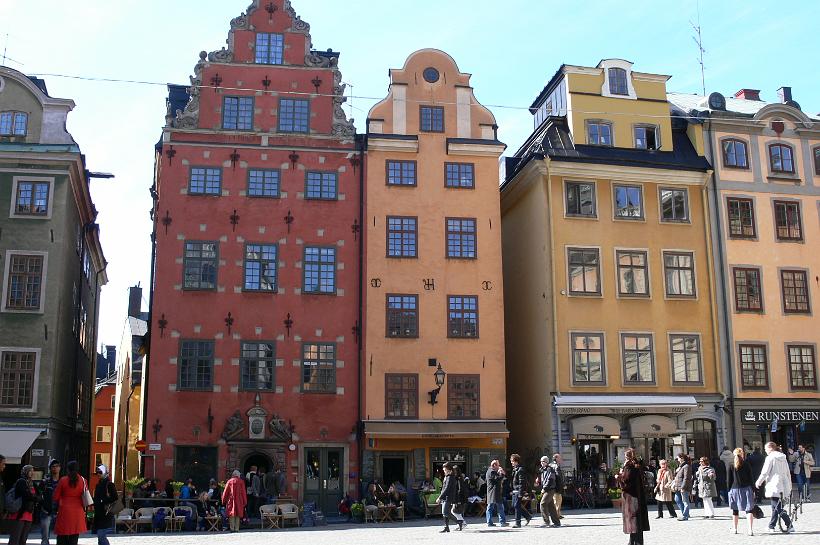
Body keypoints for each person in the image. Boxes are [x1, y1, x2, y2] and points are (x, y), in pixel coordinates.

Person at [756, 442, 794, 533]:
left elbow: (765, 472)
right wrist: (789, 484)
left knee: (777, 507)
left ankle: (789, 525)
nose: (765, 451)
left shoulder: (770, 458)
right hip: (783, 484)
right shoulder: (783, 457)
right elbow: (788, 472)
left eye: (766, 449)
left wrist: (758, 482)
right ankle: (771, 526)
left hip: (774, 484)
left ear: (770, 448)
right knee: (775, 507)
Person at [617, 449, 650, 545]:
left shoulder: (629, 467)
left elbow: (626, 483)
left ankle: (635, 542)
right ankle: (632, 541)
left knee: (633, 522)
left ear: (627, 457)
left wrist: (618, 477)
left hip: (631, 498)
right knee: (636, 521)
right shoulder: (637, 465)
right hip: (638, 497)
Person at [53, 460, 88, 545]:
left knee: (62, 536)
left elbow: (55, 497)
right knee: (74, 537)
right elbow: (86, 496)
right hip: (78, 511)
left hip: (64, 510)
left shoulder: (63, 480)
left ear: (68, 469)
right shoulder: (83, 480)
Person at [9, 464, 42, 545]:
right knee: (15, 539)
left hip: (29, 514)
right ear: (25, 472)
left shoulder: (33, 484)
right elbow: (26, 495)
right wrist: (35, 497)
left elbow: (40, 495)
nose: (32, 473)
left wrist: (35, 497)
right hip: (19, 514)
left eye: (33, 471)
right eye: (30, 471)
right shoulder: (21, 481)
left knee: (23, 539)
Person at [727, 447, 756, 536]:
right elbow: (751, 478)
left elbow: (729, 480)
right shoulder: (747, 464)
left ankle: (735, 528)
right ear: (742, 454)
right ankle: (750, 530)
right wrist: (753, 490)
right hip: (746, 489)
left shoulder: (731, 465)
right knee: (749, 510)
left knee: (735, 510)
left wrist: (729, 491)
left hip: (734, 489)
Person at [92, 465, 118, 545]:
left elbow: (115, 497)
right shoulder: (98, 484)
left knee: (101, 535)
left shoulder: (109, 484)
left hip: (106, 512)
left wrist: (103, 501)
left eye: (100, 472)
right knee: (100, 537)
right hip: (98, 513)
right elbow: (96, 497)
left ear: (105, 472)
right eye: (97, 472)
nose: (98, 474)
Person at [39, 459, 61, 545]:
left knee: (61, 536)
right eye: (53, 467)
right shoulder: (45, 481)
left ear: (60, 468)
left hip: (59, 511)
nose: (55, 468)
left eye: (56, 466)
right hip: (46, 511)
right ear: (50, 468)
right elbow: (39, 494)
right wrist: (42, 506)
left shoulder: (63, 481)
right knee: (45, 538)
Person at [538, 455, 561, 527]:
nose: (542, 463)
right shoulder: (542, 469)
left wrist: (544, 488)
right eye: (541, 461)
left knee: (543, 503)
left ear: (547, 462)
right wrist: (538, 482)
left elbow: (550, 480)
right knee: (551, 506)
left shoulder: (550, 469)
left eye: (543, 461)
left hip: (550, 489)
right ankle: (557, 522)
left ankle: (546, 521)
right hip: (547, 489)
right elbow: (543, 479)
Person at [509, 453, 531, 528]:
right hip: (515, 490)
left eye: (512, 461)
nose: (511, 462)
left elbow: (522, 482)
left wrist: (520, 493)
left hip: (519, 490)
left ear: (516, 461)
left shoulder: (520, 469)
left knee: (517, 506)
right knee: (514, 505)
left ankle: (517, 523)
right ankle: (527, 516)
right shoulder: (515, 469)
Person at [435, 462, 458, 532]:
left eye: (445, 470)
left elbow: (447, 489)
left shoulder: (450, 477)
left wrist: (440, 497)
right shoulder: (447, 477)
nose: (444, 471)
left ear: (449, 470)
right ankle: (447, 527)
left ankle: (459, 522)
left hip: (448, 497)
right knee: (446, 513)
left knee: (445, 512)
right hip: (446, 497)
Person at [485, 459, 506, 526]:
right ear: (494, 465)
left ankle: (490, 522)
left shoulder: (490, 471)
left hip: (492, 492)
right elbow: (498, 479)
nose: (499, 466)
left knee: (491, 507)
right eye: (498, 465)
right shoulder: (491, 472)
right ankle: (502, 522)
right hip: (494, 492)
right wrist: (502, 474)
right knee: (499, 507)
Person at [672, 453, 692, 521]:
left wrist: (683, 487)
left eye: (678, 458)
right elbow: (677, 476)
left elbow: (686, 478)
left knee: (685, 501)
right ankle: (685, 512)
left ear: (682, 458)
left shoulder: (686, 466)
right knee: (677, 499)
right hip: (678, 486)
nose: (677, 459)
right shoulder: (680, 466)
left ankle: (685, 516)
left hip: (683, 486)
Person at [450, 465, 468, 530]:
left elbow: (460, 489)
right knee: (454, 511)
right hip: (457, 497)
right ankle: (461, 523)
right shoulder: (457, 478)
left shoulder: (459, 478)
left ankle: (462, 522)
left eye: (453, 470)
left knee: (454, 511)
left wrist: (458, 500)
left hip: (459, 498)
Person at [551, 454, 565, 519]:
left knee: (559, 501)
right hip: (556, 487)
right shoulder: (555, 466)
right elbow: (558, 477)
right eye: (559, 458)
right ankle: (556, 515)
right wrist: (562, 485)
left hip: (556, 487)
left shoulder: (553, 465)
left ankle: (558, 514)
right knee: (557, 501)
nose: (561, 459)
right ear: (556, 458)